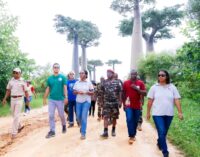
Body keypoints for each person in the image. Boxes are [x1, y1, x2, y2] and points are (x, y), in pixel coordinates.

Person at [146, 70, 183, 157]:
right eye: (159, 75)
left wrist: (180, 112)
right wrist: (148, 113)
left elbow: (176, 100)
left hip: (169, 114)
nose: (160, 77)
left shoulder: (172, 87)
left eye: (162, 75)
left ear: (166, 76)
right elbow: (150, 101)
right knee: (162, 131)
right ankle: (165, 152)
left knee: (164, 133)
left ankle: (159, 142)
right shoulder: (154, 87)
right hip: (157, 114)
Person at [2, 68, 29, 139]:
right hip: (12, 99)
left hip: (20, 99)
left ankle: (14, 133)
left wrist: (27, 100)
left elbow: (26, 91)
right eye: (14, 72)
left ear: (20, 73)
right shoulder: (11, 81)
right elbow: (8, 90)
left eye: (17, 73)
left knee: (16, 116)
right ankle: (19, 126)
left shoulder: (23, 81)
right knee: (13, 115)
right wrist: (4, 99)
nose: (15, 74)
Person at [43, 63, 68, 138]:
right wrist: (44, 98)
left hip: (60, 99)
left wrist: (66, 97)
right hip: (51, 99)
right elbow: (48, 88)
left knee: (61, 115)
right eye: (55, 67)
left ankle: (64, 125)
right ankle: (52, 131)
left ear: (59, 69)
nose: (56, 68)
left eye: (57, 67)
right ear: (53, 68)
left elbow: (65, 87)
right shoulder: (50, 78)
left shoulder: (62, 77)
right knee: (51, 115)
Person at [122, 69, 146, 144]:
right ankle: (131, 136)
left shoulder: (140, 83)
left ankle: (134, 134)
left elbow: (145, 93)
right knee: (129, 119)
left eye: (135, 74)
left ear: (137, 74)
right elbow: (123, 94)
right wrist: (123, 104)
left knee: (135, 120)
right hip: (128, 105)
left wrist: (136, 88)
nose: (133, 75)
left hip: (137, 106)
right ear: (130, 75)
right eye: (132, 74)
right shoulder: (126, 83)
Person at [100, 69, 122, 138]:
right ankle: (105, 131)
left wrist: (120, 101)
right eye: (107, 73)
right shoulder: (104, 82)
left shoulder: (117, 82)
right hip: (106, 102)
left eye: (109, 73)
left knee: (114, 117)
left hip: (115, 102)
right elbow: (102, 92)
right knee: (105, 116)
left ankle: (113, 130)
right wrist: (101, 101)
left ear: (113, 74)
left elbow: (120, 92)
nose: (108, 74)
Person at [73, 70, 94, 140]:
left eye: (82, 73)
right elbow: (74, 91)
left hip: (86, 101)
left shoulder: (89, 83)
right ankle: (81, 126)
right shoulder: (77, 82)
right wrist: (78, 92)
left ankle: (83, 133)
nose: (81, 74)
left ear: (85, 74)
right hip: (78, 101)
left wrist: (85, 92)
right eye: (80, 73)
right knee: (78, 116)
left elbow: (92, 92)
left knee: (83, 116)